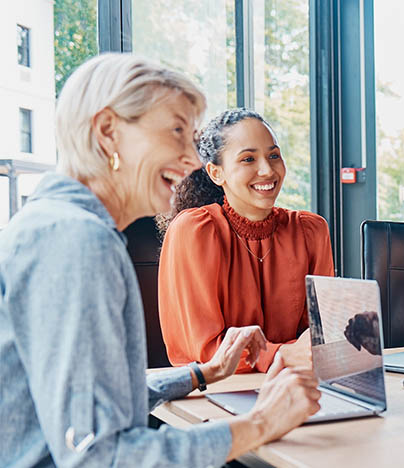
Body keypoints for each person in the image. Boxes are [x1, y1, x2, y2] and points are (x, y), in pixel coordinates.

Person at [0, 54, 322, 467]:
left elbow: (88, 403)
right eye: (175, 131)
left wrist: (204, 373)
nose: (191, 160)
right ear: (108, 132)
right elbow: (99, 457)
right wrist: (262, 423)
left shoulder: (57, 224)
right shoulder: (78, 240)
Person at [157, 108, 335, 373]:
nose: (267, 170)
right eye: (248, 159)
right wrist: (283, 354)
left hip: (294, 382)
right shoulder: (195, 230)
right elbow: (206, 351)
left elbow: (322, 333)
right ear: (217, 173)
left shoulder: (310, 230)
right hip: (214, 391)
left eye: (274, 155)